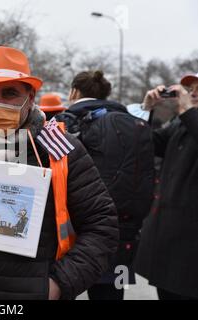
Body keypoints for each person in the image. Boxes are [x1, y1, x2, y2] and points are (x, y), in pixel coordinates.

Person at [0, 46, 119, 300]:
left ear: (31, 96)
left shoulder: (58, 148)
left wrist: (59, 284)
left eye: (10, 93)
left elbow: (102, 226)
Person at [58, 70, 155, 300]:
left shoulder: (67, 121)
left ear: (74, 92)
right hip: (124, 229)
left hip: (76, 229)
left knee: (63, 286)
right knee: (111, 291)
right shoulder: (134, 123)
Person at [135, 73, 198, 300]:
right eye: (191, 89)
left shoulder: (189, 119)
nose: (193, 93)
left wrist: (188, 112)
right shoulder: (182, 123)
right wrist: (146, 110)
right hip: (167, 243)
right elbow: (146, 143)